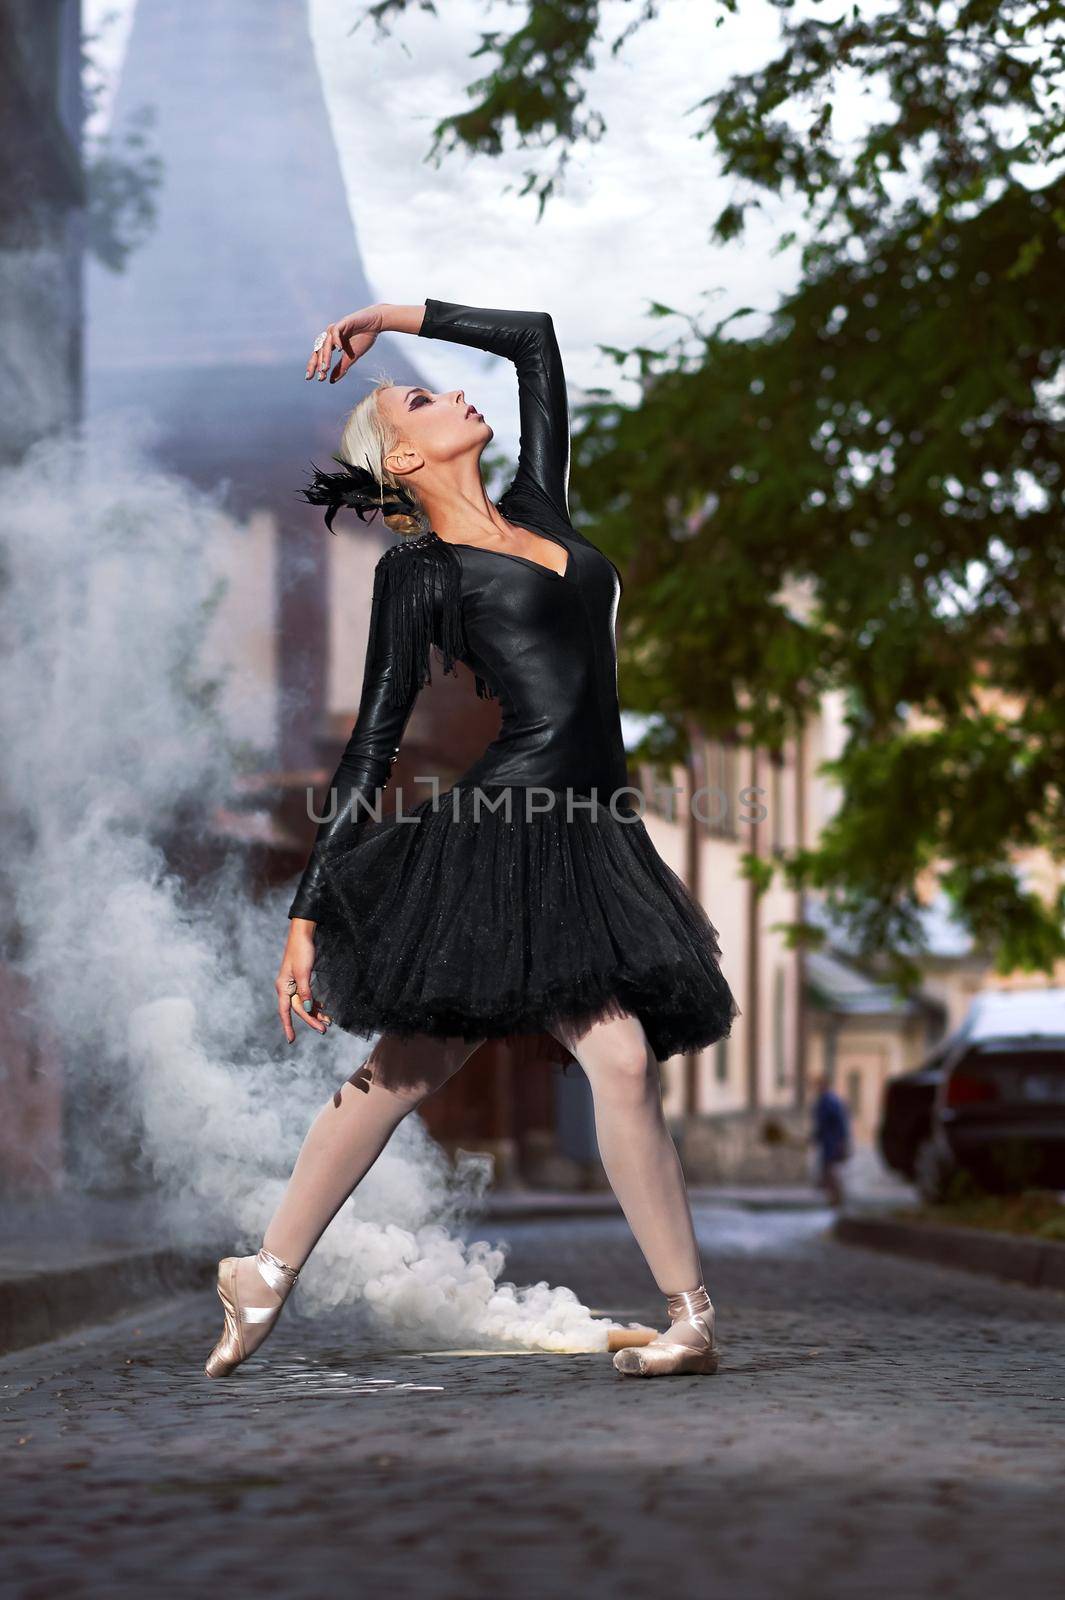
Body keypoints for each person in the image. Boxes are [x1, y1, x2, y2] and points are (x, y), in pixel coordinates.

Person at [204, 297, 740, 1381]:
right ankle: (264, 1269)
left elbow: (536, 336)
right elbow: (371, 746)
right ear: (403, 453)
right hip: (506, 833)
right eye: (423, 396)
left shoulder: (539, 500)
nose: (456, 393)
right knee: (410, 1064)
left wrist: (386, 316)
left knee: (615, 1064)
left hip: (591, 829)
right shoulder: (419, 579)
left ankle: (690, 1319)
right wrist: (307, 907)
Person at [810, 1074, 851, 1207]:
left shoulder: (831, 1101)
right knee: (827, 1170)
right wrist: (815, 1137)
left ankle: (837, 1198)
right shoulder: (823, 1101)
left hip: (833, 1142)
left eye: (818, 1085)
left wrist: (842, 1142)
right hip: (827, 1142)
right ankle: (833, 1198)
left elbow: (840, 1123)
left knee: (831, 1171)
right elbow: (821, 1124)